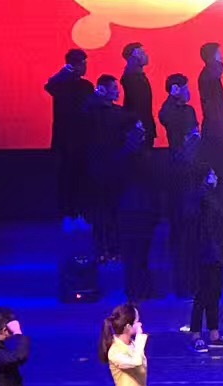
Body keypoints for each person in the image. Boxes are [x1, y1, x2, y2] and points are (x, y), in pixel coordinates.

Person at [159, 74, 201, 306]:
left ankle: (192, 283)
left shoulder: (189, 111)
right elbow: (167, 120)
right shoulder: (168, 111)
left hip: (192, 172)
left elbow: (195, 134)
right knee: (180, 232)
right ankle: (182, 286)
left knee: (191, 233)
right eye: (184, 88)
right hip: (178, 173)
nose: (188, 92)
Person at [83, 75, 133, 261]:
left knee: (113, 211)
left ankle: (113, 249)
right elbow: (82, 113)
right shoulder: (91, 113)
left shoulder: (120, 113)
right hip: (98, 170)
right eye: (113, 88)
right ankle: (103, 250)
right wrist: (95, 97)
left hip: (114, 169)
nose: (117, 91)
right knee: (101, 212)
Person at [190, 166, 223, 353]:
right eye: (212, 174)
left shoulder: (213, 197)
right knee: (203, 294)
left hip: (216, 250)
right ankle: (196, 335)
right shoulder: (200, 198)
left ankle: (214, 334)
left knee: (214, 293)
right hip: (205, 251)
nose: (216, 177)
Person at [44, 49, 93, 225]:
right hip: (66, 140)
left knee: (81, 178)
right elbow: (49, 85)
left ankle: (79, 213)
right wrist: (64, 72)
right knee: (67, 178)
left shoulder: (86, 86)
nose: (84, 67)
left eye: (85, 63)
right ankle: (67, 215)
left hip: (83, 139)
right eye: (81, 63)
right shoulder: (60, 85)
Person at [118, 120, 158, 304]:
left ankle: (140, 290)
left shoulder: (136, 155)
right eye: (139, 128)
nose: (143, 131)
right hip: (134, 209)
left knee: (140, 254)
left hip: (138, 208)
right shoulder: (130, 156)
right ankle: (136, 290)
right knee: (135, 254)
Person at [198, 42, 223, 173]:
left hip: (216, 122)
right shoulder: (209, 76)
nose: (222, 57)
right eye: (218, 54)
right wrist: (219, 124)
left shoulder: (209, 75)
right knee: (217, 158)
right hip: (215, 124)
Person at [120, 43, 155, 147]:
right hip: (138, 127)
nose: (145, 55)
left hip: (144, 125)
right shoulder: (131, 79)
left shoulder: (139, 77)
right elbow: (137, 105)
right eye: (141, 53)